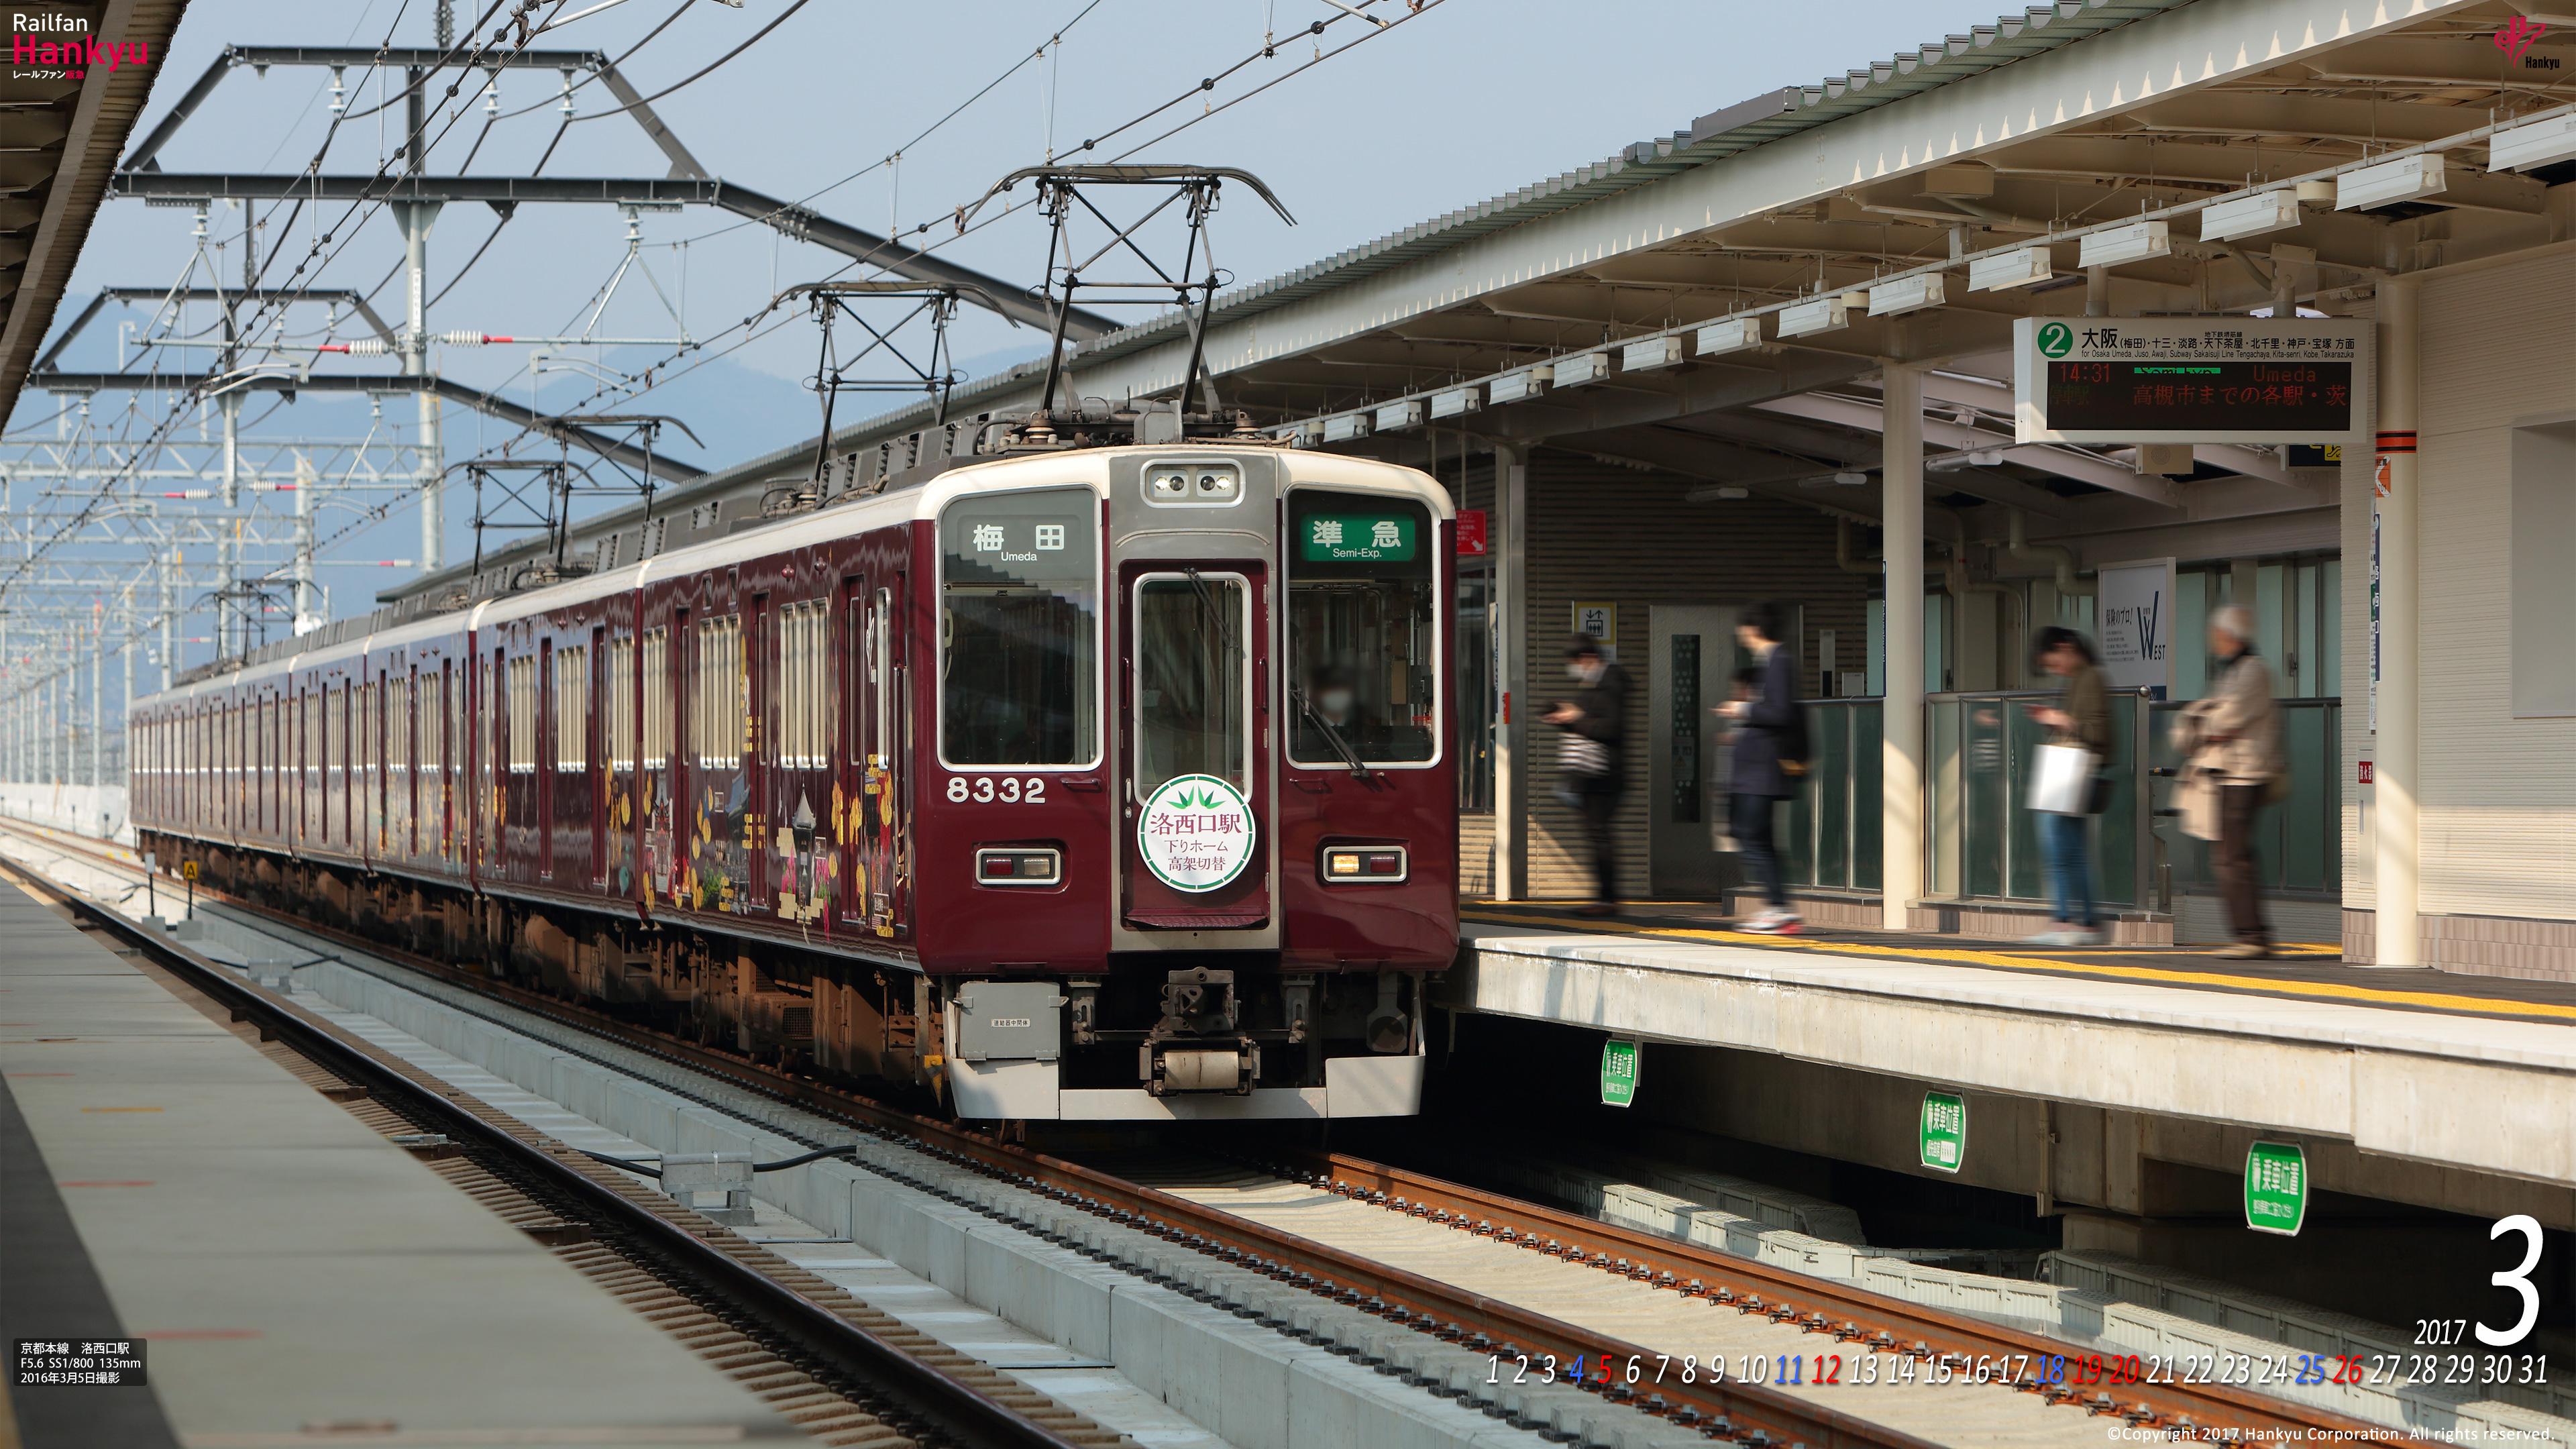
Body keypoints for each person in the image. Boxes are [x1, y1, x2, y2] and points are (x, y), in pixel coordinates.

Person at [2171, 604, 2285, 959]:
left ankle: (2252, 935)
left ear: (2231, 636)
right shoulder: (2237, 671)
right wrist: (2204, 721)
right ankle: (2250, 933)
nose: (2215, 642)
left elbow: (2224, 719)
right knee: (2231, 855)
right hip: (2231, 776)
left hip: (2245, 775)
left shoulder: (2253, 671)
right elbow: (2208, 717)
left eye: (2218, 635)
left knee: (2231, 856)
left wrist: (2202, 723)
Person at [1719, 602, 1804, 934]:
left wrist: (1743, 709)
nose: (1741, 634)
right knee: (1757, 837)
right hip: (1755, 770)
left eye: (1744, 627)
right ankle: (1779, 908)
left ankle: (1779, 908)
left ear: (1754, 628)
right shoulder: (1769, 661)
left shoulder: (1778, 661)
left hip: (1762, 770)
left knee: (1752, 836)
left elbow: (1780, 713)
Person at [2024, 627, 2111, 947]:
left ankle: (2065, 921)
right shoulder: (2082, 677)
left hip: (2072, 771)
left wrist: (2061, 720)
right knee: (2072, 851)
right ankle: (2084, 923)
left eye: (2054, 663)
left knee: (2059, 850)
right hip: (2073, 770)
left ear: (2065, 648)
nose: (2054, 670)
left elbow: (2096, 730)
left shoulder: (2089, 678)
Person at [1544, 635, 1628, 918]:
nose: (1575, 669)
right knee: (1597, 834)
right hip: (1591, 774)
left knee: (1599, 834)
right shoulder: (1594, 684)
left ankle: (1607, 899)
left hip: (1603, 774)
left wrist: (1574, 718)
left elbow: (1609, 728)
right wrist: (1563, 718)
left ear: (1587, 658)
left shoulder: (1611, 683)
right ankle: (1605, 897)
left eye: (1575, 662)